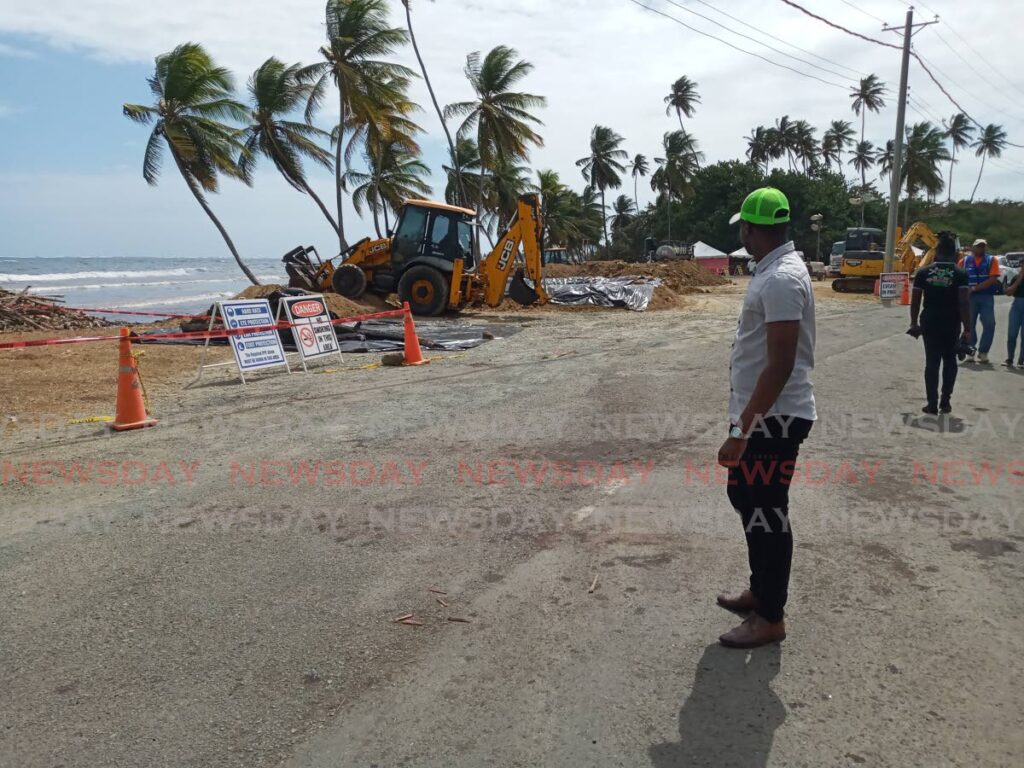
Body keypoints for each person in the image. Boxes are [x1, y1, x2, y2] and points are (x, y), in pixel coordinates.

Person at [716, 187, 816, 649]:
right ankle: (761, 590)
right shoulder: (772, 272)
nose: (742, 234)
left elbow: (780, 364)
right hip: (761, 414)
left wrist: (741, 430)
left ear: (752, 229)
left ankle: (771, 616)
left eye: (744, 227)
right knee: (746, 496)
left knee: (767, 515)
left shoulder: (781, 279)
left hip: (773, 419)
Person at [908, 233, 971, 414]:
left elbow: (915, 301)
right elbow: (964, 303)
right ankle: (946, 401)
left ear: (936, 253)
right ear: (955, 254)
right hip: (952, 322)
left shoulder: (923, 273)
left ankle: (932, 403)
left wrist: (913, 323)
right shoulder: (960, 274)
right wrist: (967, 328)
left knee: (932, 362)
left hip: (930, 321)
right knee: (950, 361)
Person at [959, 238, 1000, 363]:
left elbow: (993, 279)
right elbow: (958, 276)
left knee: (989, 324)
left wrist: (975, 288)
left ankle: (983, 352)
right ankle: (970, 351)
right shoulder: (964, 261)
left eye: (983, 246)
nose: (981, 248)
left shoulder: (991, 260)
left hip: (986, 296)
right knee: (969, 324)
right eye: (978, 246)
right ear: (973, 247)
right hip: (969, 298)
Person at [1006, 267, 1024, 367]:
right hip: (1016, 307)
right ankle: (1010, 358)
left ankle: (1022, 360)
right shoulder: (1016, 278)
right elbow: (1008, 293)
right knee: (1012, 334)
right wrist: (1019, 279)